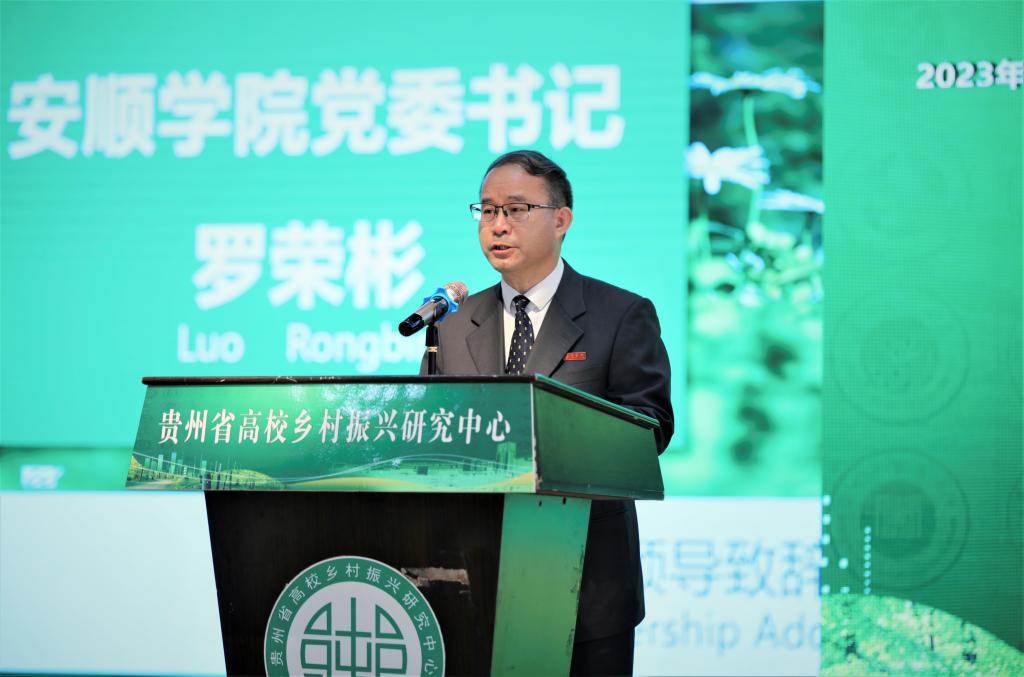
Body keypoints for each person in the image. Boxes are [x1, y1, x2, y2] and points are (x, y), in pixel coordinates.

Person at [424, 149, 673, 675]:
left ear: (560, 220)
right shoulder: (452, 325)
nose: (498, 225)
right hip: (470, 577)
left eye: (516, 209)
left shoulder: (620, 315)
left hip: (585, 580)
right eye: (487, 210)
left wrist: (546, 439)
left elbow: (649, 428)